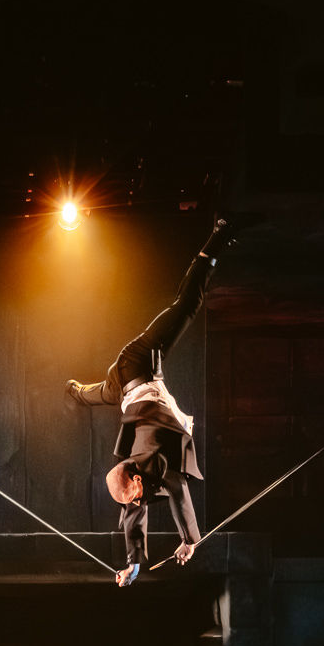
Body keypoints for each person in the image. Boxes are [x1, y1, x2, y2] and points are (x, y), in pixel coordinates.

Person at [64, 216, 252, 586]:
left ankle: (217, 237)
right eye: (131, 502)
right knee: (92, 394)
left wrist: (189, 540)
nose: (136, 504)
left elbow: (179, 490)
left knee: (187, 305)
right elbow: (132, 522)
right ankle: (73, 390)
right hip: (122, 390)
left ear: (136, 477)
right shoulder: (134, 482)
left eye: (133, 497)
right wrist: (133, 567)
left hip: (136, 363)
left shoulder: (153, 461)